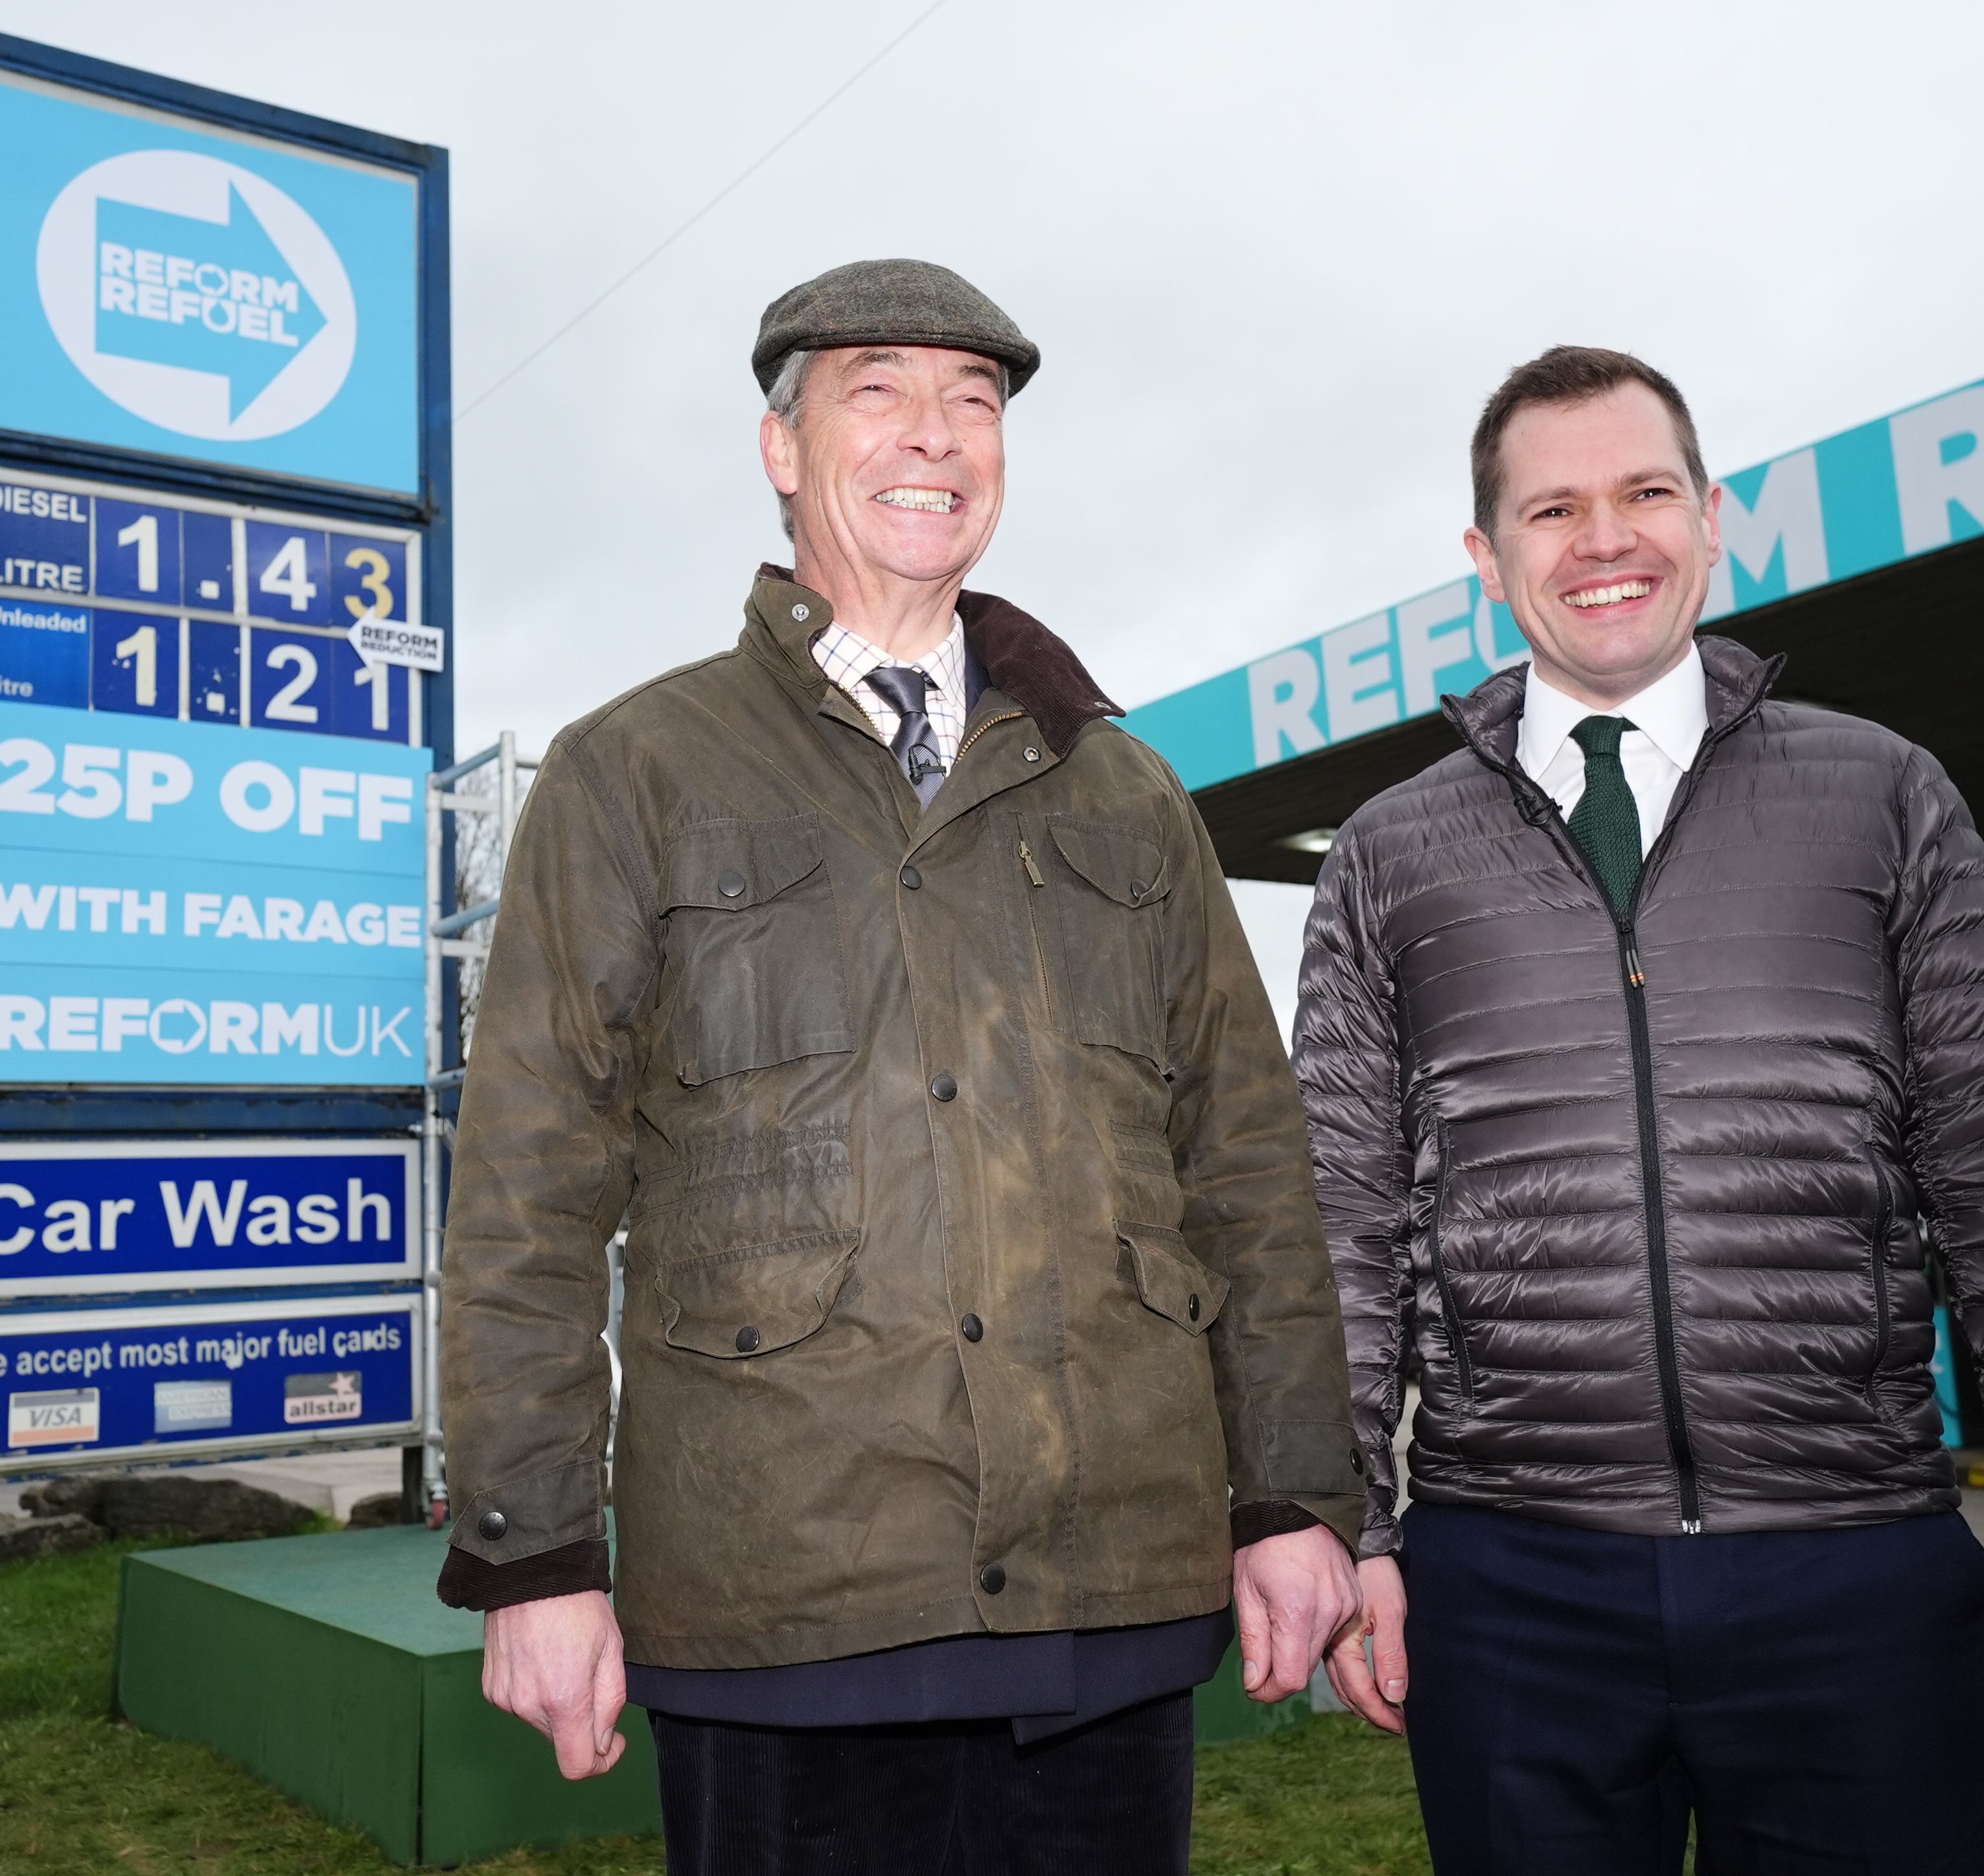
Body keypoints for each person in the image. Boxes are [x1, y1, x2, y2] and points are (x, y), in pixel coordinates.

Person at [435, 258, 1365, 1875]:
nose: (934, 433)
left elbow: (1247, 1167)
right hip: (781, 1599)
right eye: (877, 390)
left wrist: (1295, 1496)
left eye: (975, 402)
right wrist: (531, 1557)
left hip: (1111, 1593)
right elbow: (528, 1185)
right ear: (781, 448)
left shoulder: (1127, 793)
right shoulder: (631, 773)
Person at [1297, 345, 1984, 1874]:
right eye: (1553, 507)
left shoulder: (1884, 793)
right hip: (1509, 1577)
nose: (1606, 538)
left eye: (1645, 492)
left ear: (1714, 516)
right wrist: (1351, 1518)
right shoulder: (1384, 854)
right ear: (1486, 555)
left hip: (1850, 1563)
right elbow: (1343, 1226)